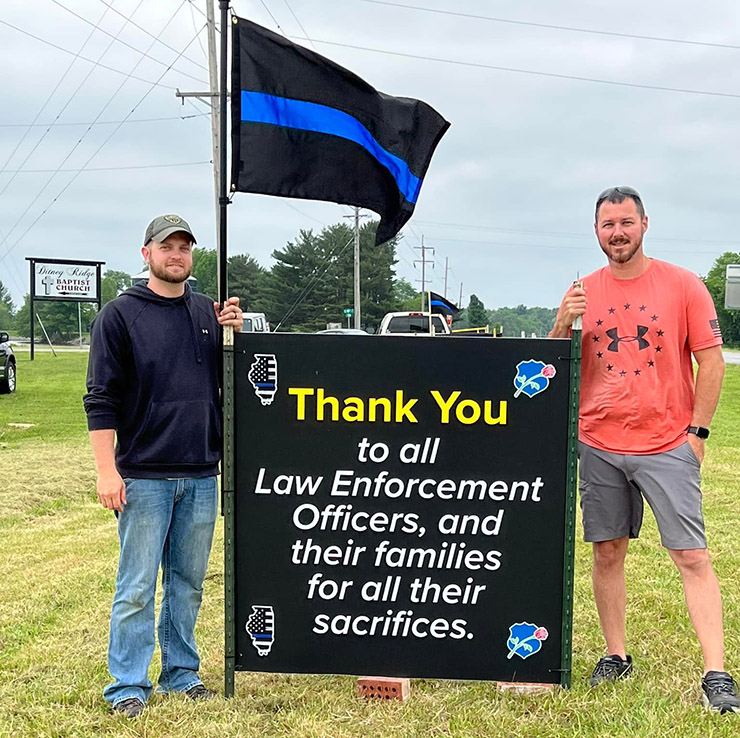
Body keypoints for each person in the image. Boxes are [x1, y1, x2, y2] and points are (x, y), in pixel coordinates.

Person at [550, 187, 738, 714]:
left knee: (692, 555)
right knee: (607, 551)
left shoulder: (683, 285)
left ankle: (717, 674)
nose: (617, 232)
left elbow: (712, 362)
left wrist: (697, 436)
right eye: (608, 224)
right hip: (599, 443)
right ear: (596, 231)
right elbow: (550, 367)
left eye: (626, 222)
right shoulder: (581, 291)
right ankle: (616, 655)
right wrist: (564, 320)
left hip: (666, 441)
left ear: (645, 224)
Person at [83, 214, 243, 718]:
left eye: (185, 247)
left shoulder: (205, 311)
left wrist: (234, 334)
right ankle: (127, 686)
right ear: (146, 253)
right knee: (136, 586)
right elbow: (100, 399)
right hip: (143, 476)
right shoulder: (119, 315)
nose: (176, 255)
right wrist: (107, 472)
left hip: (200, 472)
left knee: (187, 584)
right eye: (166, 246)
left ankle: (181, 674)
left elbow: (232, 386)